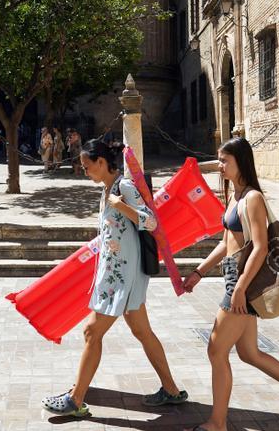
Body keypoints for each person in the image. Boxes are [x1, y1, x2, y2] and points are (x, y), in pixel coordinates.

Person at [181, 137, 279, 431]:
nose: (219, 166)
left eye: (224, 161)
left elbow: (260, 247)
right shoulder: (236, 195)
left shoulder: (253, 198)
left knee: (216, 351)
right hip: (235, 275)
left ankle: (217, 423)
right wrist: (198, 272)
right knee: (249, 353)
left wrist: (241, 288)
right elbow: (227, 243)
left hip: (241, 281)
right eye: (219, 160)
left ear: (240, 162)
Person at [42, 140, 188, 417]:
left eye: (87, 167)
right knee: (142, 331)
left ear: (100, 162)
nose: (85, 172)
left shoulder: (124, 188)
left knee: (91, 332)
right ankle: (171, 390)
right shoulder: (107, 190)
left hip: (123, 277)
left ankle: (75, 400)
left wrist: (121, 206)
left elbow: (151, 221)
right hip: (116, 272)